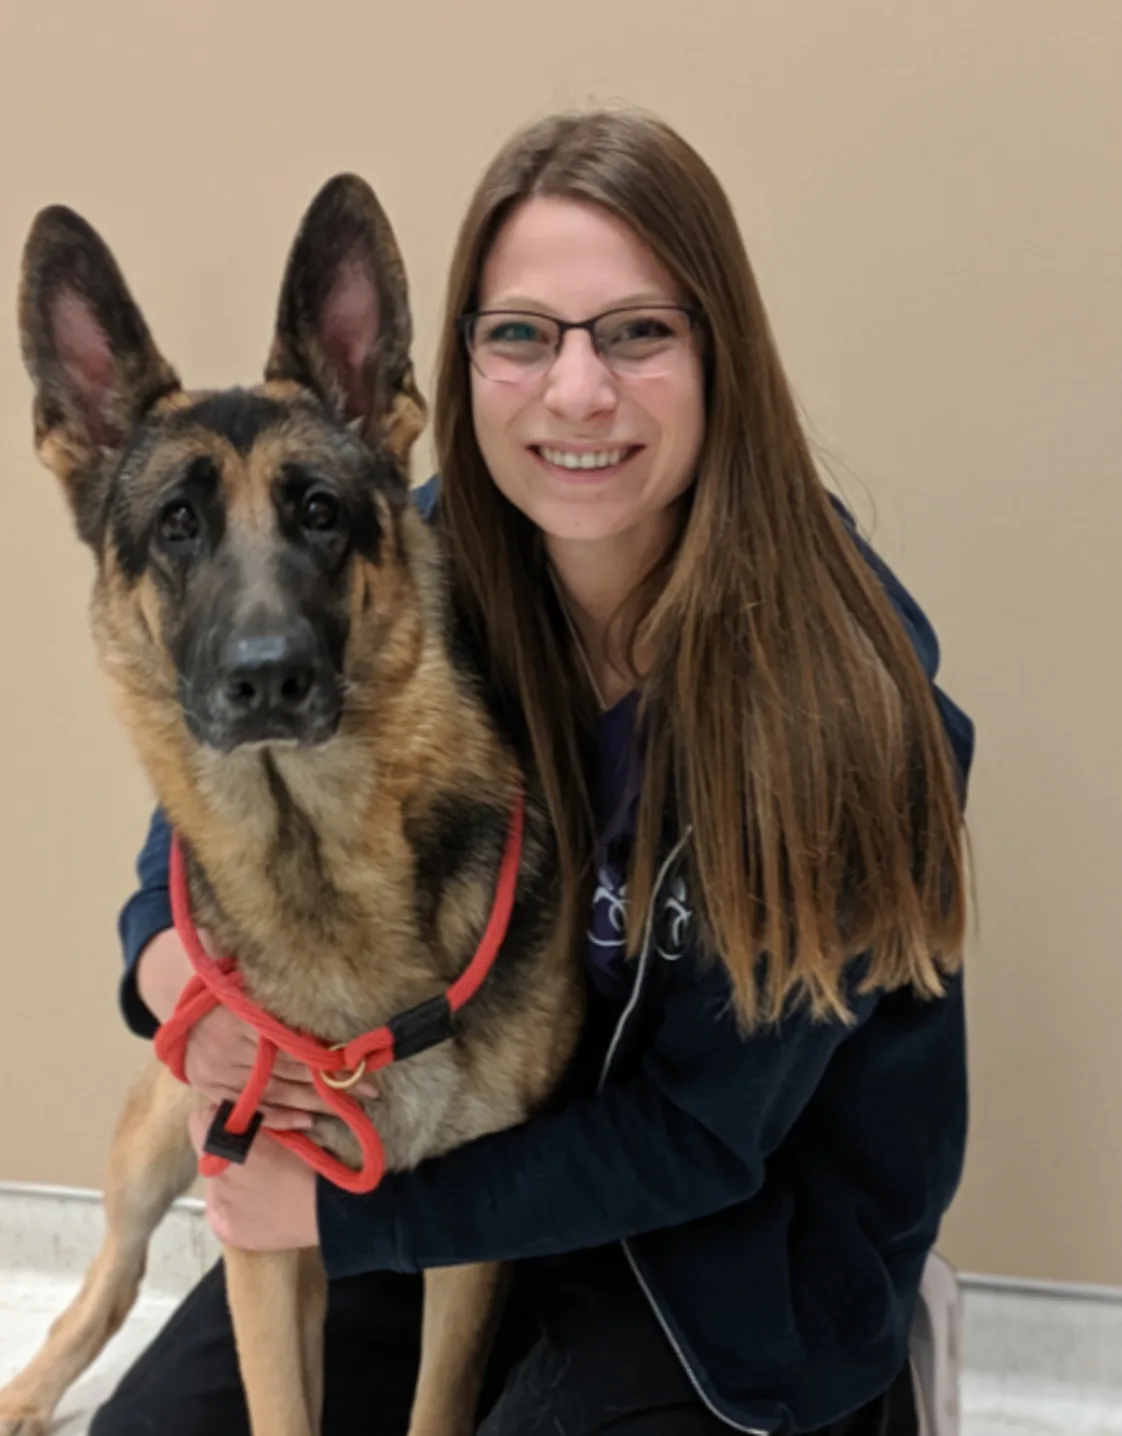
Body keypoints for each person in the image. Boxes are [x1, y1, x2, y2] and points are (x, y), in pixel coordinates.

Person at [93, 109, 974, 1436]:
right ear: (451, 371)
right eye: (519, 335)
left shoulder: (843, 701)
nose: (575, 392)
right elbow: (223, 775)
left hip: (722, 1244)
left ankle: (887, 1365)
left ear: (721, 353)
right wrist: (180, 981)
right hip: (454, 1156)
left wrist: (349, 1221)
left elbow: (701, 1134)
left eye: (637, 332)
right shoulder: (416, 557)